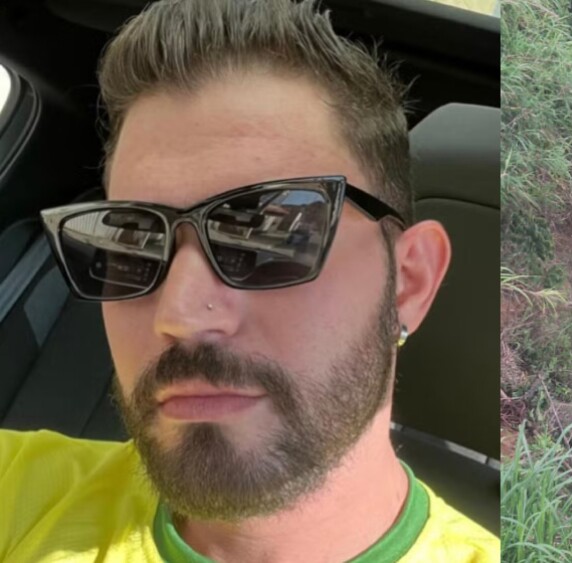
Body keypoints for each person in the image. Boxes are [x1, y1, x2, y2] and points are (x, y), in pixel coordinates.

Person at [4, 1, 498, 561]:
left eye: (270, 233)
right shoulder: (18, 490)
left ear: (408, 283)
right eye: (134, 240)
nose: (180, 315)